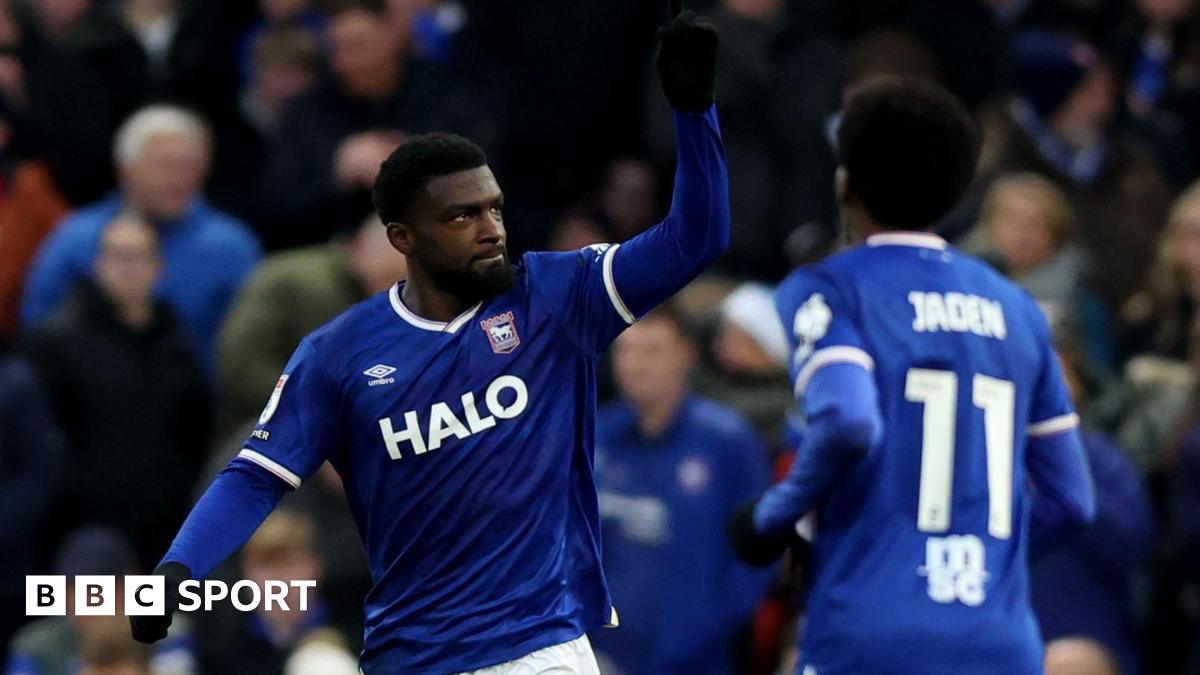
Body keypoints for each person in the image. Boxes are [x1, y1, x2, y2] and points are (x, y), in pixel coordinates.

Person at [132, 4, 727, 674]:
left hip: (540, 647)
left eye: (494, 207)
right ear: (403, 238)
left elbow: (696, 240)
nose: (491, 228)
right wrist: (178, 568)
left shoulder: (557, 297)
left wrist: (694, 114)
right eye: (462, 216)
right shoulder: (338, 354)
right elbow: (255, 475)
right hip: (411, 655)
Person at [727, 78, 1096, 674]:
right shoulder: (1019, 309)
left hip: (871, 636)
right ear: (956, 191)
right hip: (998, 643)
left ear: (846, 185)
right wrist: (985, 555)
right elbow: (1073, 502)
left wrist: (773, 516)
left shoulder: (830, 287)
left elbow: (849, 420)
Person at [590, 304, 772, 675]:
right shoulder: (596, 437)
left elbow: (760, 551)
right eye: (625, 351)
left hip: (697, 660)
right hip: (601, 656)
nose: (635, 365)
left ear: (686, 355)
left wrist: (708, 628)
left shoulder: (728, 442)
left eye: (651, 350)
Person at [21, 214, 210, 570]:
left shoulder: (177, 341)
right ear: (98, 264)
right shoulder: (57, 340)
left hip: (162, 525)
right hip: (82, 530)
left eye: (139, 256)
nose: (129, 268)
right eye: (118, 256)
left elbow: (193, 428)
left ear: (158, 267)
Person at [19, 104, 261, 371]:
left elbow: (252, 341)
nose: (177, 178)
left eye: (188, 165)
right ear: (124, 170)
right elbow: (36, 324)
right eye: (164, 165)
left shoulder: (232, 247)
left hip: (200, 390)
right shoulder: (77, 238)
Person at [216, 215, 407, 435]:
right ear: (360, 245)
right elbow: (241, 368)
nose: (388, 291)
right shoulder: (288, 281)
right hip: (267, 430)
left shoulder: (402, 301)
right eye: (387, 278)